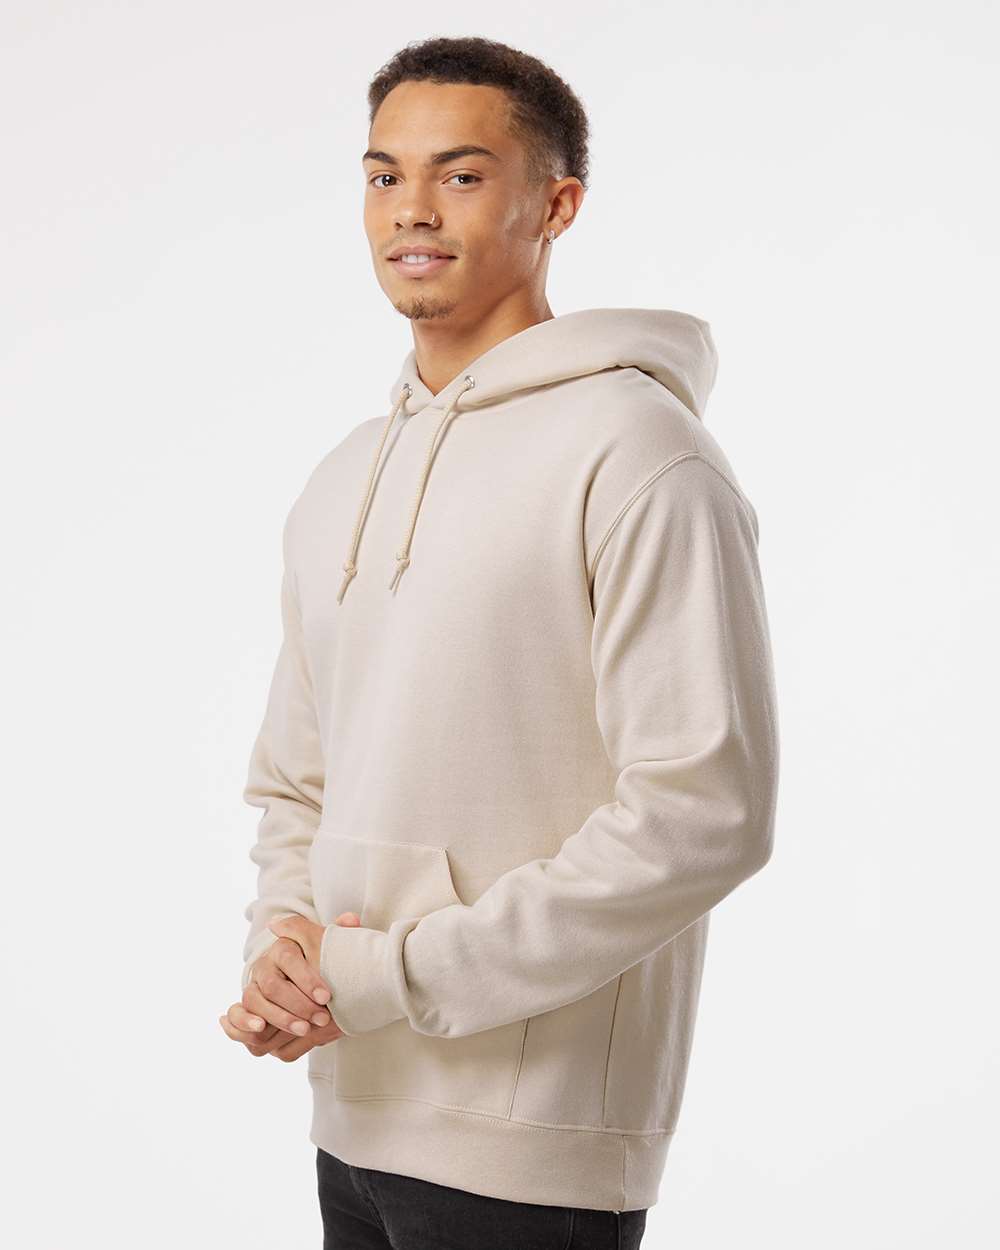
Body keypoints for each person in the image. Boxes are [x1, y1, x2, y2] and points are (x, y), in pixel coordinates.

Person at [219, 34, 780, 1250]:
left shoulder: (640, 453)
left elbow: (704, 810)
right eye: (383, 174)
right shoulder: (341, 478)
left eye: (461, 175)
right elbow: (297, 782)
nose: (410, 209)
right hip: (352, 1113)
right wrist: (285, 950)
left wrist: (389, 974)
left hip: (533, 1143)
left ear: (556, 205)